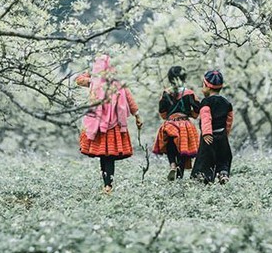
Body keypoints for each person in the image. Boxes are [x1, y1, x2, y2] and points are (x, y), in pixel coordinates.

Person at [77, 54, 143, 193]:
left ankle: (106, 184)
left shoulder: (94, 82)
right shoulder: (118, 83)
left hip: (98, 126)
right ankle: (108, 185)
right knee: (109, 157)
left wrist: (90, 74)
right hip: (114, 126)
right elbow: (130, 100)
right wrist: (137, 116)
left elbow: (79, 80)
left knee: (103, 155)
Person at [152, 66, 200, 180]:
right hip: (184, 124)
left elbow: (162, 111)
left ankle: (172, 165)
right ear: (184, 78)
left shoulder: (166, 93)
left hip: (170, 123)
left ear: (169, 78)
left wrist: (167, 117)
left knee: (170, 146)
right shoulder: (189, 93)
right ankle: (179, 175)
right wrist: (192, 115)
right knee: (183, 150)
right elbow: (198, 107)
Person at [191, 69, 233, 185]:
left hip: (209, 137)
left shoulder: (206, 102)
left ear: (207, 86)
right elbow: (229, 121)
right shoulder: (226, 103)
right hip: (222, 136)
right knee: (223, 158)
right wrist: (225, 134)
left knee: (205, 160)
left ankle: (204, 179)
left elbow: (206, 118)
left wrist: (207, 133)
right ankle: (222, 173)